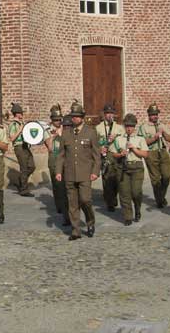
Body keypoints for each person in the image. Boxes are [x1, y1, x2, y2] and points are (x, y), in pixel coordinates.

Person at [56, 101, 100, 240]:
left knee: (85, 200)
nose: (74, 118)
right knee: (72, 203)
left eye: (77, 116)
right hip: (69, 174)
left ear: (82, 117)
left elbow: (96, 156)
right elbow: (61, 155)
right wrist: (58, 171)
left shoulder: (91, 132)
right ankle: (76, 231)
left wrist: (95, 171)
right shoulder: (66, 134)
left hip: (85, 173)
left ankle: (90, 222)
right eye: (73, 116)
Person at [112, 114, 149, 226]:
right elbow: (113, 154)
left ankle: (137, 208)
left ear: (134, 127)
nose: (129, 128)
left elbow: (145, 154)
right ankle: (127, 216)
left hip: (136, 167)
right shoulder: (119, 139)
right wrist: (120, 154)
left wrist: (134, 149)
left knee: (136, 192)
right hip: (123, 167)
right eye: (127, 126)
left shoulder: (140, 139)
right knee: (124, 193)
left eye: (131, 126)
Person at [138, 103, 170, 209]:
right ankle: (160, 200)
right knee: (155, 179)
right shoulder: (143, 127)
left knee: (166, 176)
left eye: (156, 114)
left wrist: (164, 134)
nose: (155, 116)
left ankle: (161, 197)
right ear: (149, 115)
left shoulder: (162, 125)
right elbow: (142, 142)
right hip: (151, 153)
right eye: (153, 114)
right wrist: (154, 138)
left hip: (162, 152)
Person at [96, 103, 124, 212]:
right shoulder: (98, 127)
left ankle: (113, 196)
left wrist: (115, 138)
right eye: (107, 113)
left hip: (116, 154)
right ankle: (110, 202)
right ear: (104, 114)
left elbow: (124, 140)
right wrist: (100, 149)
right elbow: (94, 143)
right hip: (106, 155)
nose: (109, 115)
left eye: (111, 113)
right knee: (106, 179)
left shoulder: (119, 127)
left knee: (117, 178)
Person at [45, 104, 68, 225]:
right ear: (52, 120)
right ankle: (59, 205)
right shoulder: (48, 130)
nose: (58, 122)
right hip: (54, 157)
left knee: (65, 184)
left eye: (60, 119)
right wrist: (54, 136)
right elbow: (49, 147)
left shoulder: (66, 128)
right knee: (57, 184)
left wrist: (62, 133)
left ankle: (66, 205)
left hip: (65, 156)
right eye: (55, 120)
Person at [7, 103, 35, 196]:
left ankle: (20, 181)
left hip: (25, 146)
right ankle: (24, 189)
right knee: (24, 168)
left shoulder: (22, 123)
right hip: (19, 146)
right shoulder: (13, 124)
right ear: (17, 114)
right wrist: (20, 130)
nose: (22, 115)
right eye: (20, 113)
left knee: (32, 166)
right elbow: (12, 138)